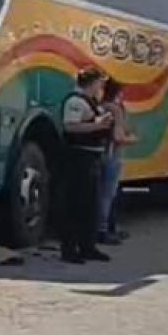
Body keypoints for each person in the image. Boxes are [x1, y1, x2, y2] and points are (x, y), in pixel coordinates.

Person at [59, 67, 114, 264]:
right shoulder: (75, 101)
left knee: (90, 206)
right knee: (75, 205)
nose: (102, 87)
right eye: (100, 82)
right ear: (91, 82)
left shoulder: (92, 102)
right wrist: (97, 125)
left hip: (92, 158)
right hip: (78, 159)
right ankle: (69, 249)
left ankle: (87, 247)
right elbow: (70, 126)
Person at [96, 79, 138, 246]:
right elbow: (118, 137)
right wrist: (133, 139)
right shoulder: (116, 109)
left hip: (98, 154)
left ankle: (98, 228)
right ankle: (104, 230)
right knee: (108, 196)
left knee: (99, 194)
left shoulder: (99, 106)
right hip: (112, 154)